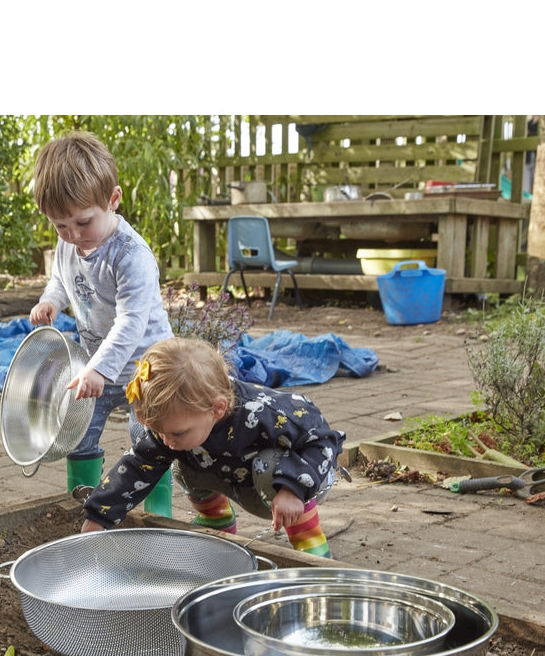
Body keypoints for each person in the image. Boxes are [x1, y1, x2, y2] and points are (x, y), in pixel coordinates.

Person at [79, 337, 345, 557]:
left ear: (218, 408)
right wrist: (99, 515)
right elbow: (137, 466)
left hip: (302, 480)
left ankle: (309, 541)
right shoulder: (179, 425)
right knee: (174, 458)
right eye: (159, 431)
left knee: (270, 463)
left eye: (175, 432)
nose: (167, 439)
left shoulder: (269, 414)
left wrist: (292, 489)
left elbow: (322, 441)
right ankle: (216, 520)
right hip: (237, 476)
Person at [28, 131, 174, 500]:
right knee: (76, 433)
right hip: (96, 369)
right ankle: (86, 505)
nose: (73, 235)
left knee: (150, 447)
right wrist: (51, 301)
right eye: (60, 225)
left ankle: (156, 520)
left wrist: (98, 369)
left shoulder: (130, 256)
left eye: (82, 222)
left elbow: (131, 322)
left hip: (146, 370)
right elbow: (62, 279)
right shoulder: (68, 243)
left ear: (113, 200)